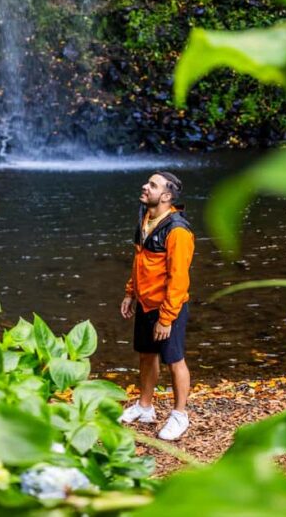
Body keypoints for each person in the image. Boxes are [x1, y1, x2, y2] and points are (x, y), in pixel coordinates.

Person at [119, 171, 194, 441]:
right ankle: (145, 406)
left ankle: (179, 415)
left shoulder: (178, 231)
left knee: (174, 360)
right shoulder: (146, 219)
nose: (144, 186)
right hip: (145, 303)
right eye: (147, 182)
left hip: (168, 307)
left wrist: (167, 317)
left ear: (166, 196)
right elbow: (140, 262)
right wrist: (131, 293)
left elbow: (179, 279)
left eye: (152, 185)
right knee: (146, 354)